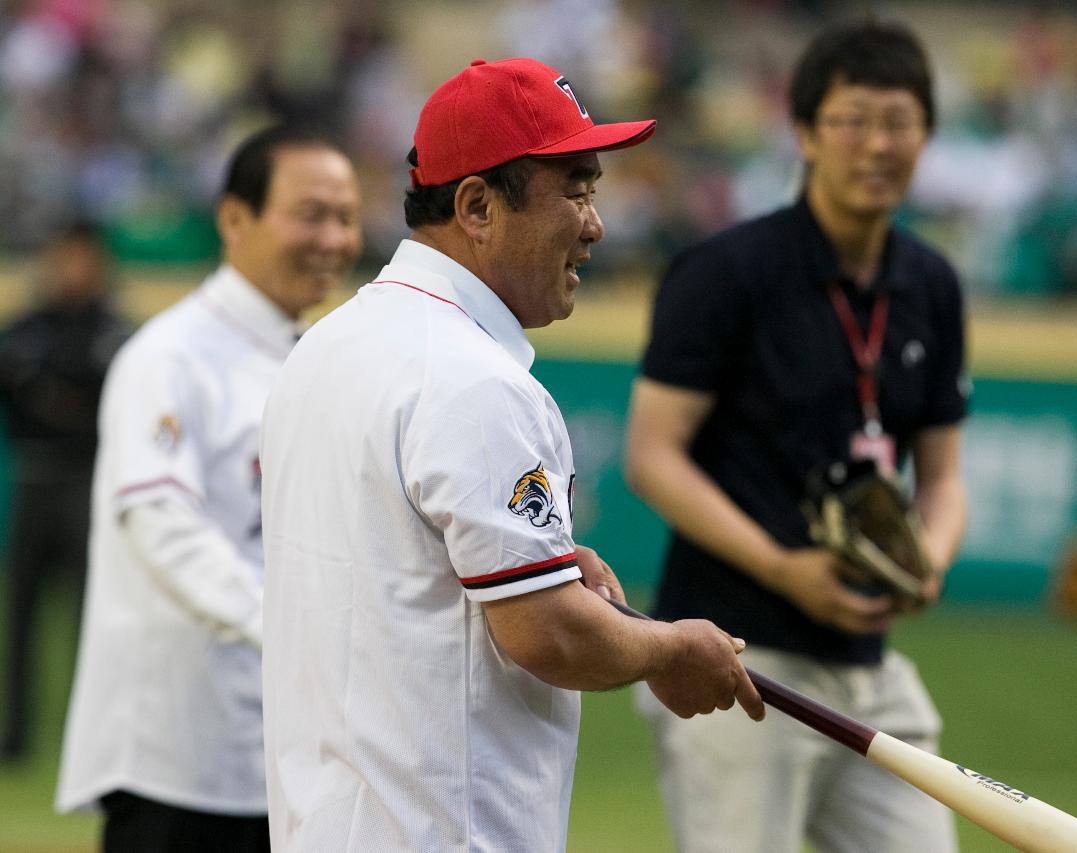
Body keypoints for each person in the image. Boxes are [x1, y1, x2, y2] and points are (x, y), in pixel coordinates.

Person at [258, 56, 764, 852]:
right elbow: (546, 634)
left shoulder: (327, 345)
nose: (596, 223)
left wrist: (553, 564)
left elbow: (401, 567)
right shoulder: (475, 380)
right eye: (577, 188)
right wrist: (671, 647)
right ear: (476, 205)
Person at [624, 20, 968, 853]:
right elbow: (651, 454)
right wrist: (783, 567)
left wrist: (929, 558)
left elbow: (944, 474)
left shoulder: (931, 282)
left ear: (927, 135)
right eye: (853, 120)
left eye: (900, 121)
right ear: (807, 132)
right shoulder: (726, 272)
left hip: (870, 669)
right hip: (740, 661)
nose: (877, 144)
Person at [55, 125, 363, 852]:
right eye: (310, 213)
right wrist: (295, 630)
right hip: (180, 758)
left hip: (287, 752)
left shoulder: (317, 355)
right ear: (233, 218)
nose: (334, 237)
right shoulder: (169, 356)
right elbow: (161, 520)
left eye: (347, 216)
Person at [0, 221, 130, 761]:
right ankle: (16, 738)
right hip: (34, 480)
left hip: (86, 483)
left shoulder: (114, 331)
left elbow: (98, 404)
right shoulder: (24, 328)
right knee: (21, 617)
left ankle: (94, 736)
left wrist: (43, 389)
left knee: (91, 617)